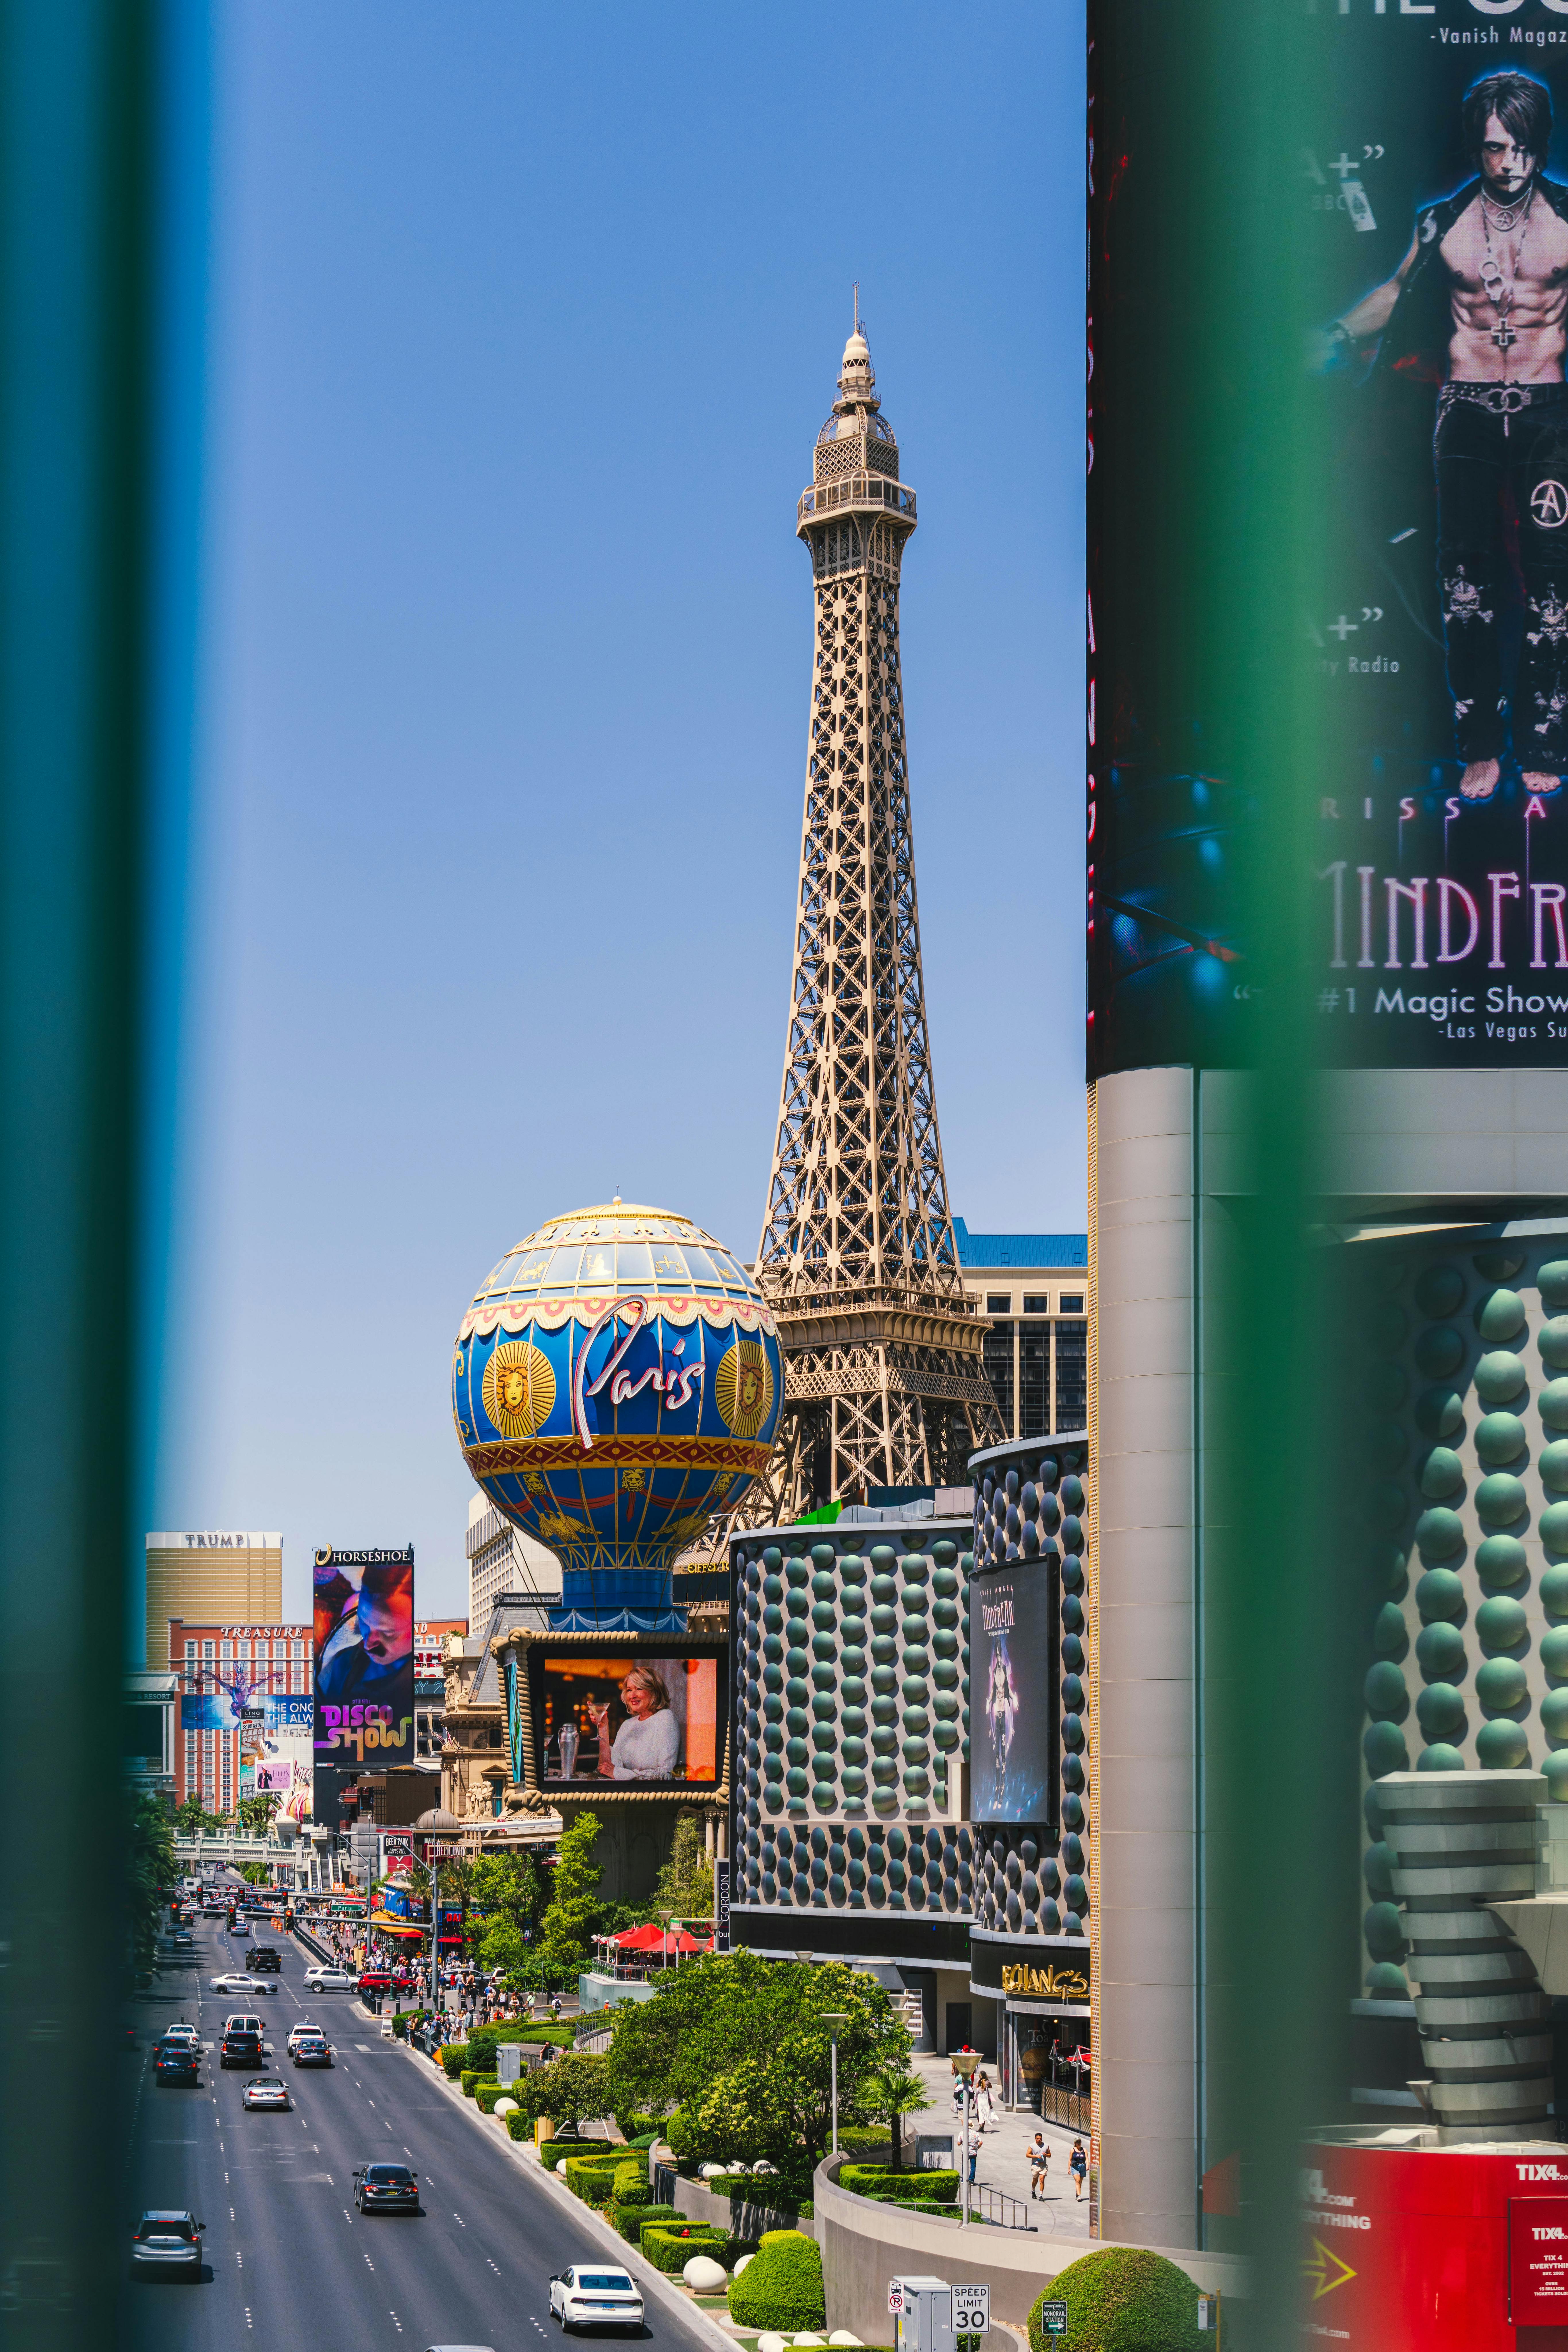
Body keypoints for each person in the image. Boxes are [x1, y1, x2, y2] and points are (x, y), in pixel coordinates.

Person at [1327, 70, 1568, 800]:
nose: (1510, 163)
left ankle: (1544, 744)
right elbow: (1397, 293)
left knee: (1553, 591)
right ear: (1477, 145)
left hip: (1546, 418)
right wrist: (1337, 333)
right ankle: (1477, 748)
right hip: (1462, 411)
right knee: (1466, 587)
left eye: (1523, 147)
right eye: (1497, 147)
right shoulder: (1443, 221)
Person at [587, 1663, 681, 1780]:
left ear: (655, 1692)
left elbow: (666, 1774)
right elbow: (608, 1768)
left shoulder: (666, 1718)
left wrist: (621, 1774)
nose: (632, 1695)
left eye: (639, 1689)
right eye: (629, 1690)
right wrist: (603, 1727)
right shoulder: (628, 1725)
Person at [1028, 2132, 1050, 2200]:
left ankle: (1041, 2196)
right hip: (1035, 2166)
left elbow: (1050, 2155)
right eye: (1038, 2139)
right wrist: (1036, 2156)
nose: (1039, 2140)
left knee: (1042, 2179)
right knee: (1035, 2181)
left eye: (1040, 2139)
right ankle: (1033, 2190)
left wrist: (1046, 2155)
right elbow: (1028, 2155)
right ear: (1035, 2139)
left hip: (1043, 2165)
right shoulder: (1032, 2146)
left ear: (1042, 2139)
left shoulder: (1046, 2146)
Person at [1070, 2138, 1088, 2202]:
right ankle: (1079, 2196)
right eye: (1077, 2142)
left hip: (1083, 2166)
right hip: (1075, 2167)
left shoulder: (1084, 2150)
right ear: (1075, 2143)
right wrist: (1069, 2169)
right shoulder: (1072, 2150)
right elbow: (1070, 2160)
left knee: (1080, 2182)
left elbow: (1087, 2159)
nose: (1079, 2143)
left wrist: (1088, 2166)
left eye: (1080, 2142)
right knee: (1078, 2181)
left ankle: (1077, 2193)